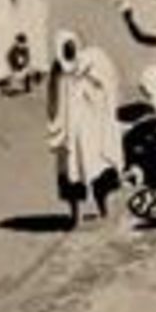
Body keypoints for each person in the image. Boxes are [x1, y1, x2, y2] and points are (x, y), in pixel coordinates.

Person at [48, 32, 124, 227]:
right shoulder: (58, 69)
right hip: (70, 128)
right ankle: (75, 215)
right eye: (66, 48)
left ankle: (103, 208)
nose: (70, 50)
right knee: (71, 171)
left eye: (72, 46)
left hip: (91, 126)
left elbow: (107, 83)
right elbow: (53, 99)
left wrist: (92, 84)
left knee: (97, 167)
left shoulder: (91, 62)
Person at [11, 0, 53, 95]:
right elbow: (45, 14)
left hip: (26, 30)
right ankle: (36, 76)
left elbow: (17, 13)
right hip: (37, 30)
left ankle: (27, 81)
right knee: (37, 55)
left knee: (26, 56)